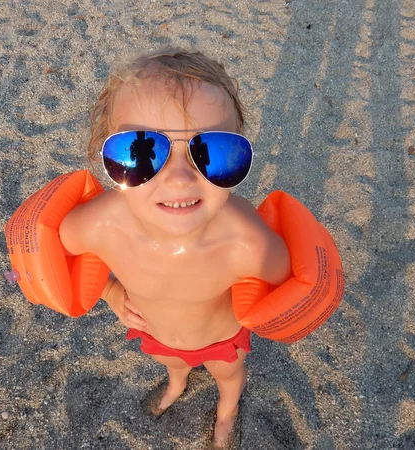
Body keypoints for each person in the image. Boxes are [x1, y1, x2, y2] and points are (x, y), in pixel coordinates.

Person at [59, 48, 291, 448]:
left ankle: (227, 413)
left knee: (229, 375)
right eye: (142, 150)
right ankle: (177, 383)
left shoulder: (247, 243)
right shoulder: (99, 225)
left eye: (212, 151)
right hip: (158, 334)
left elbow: (287, 279)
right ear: (104, 153)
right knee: (173, 364)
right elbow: (66, 257)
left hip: (222, 338)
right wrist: (112, 293)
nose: (180, 179)